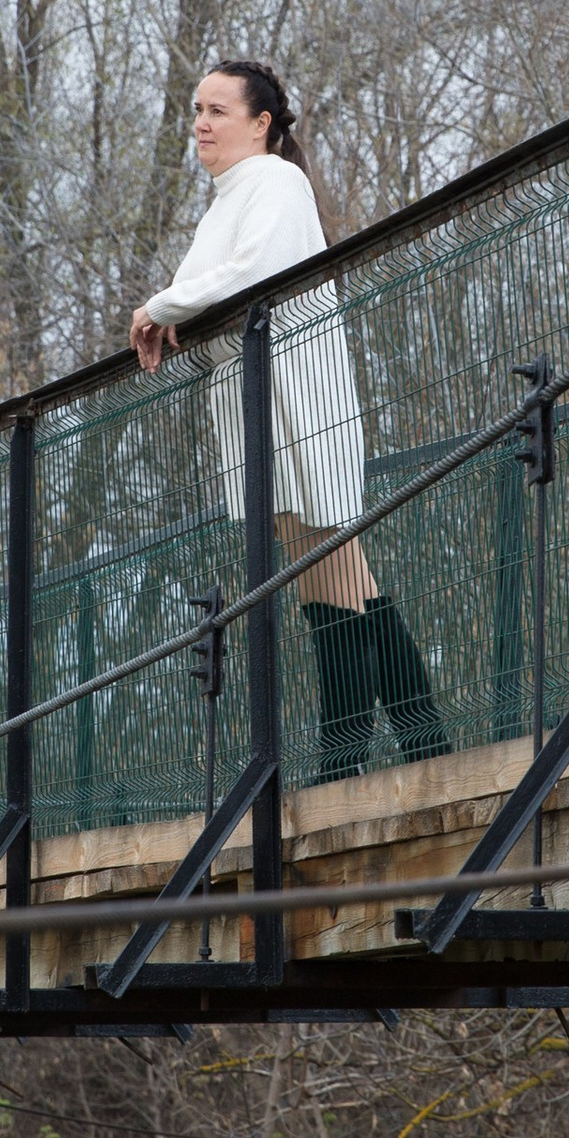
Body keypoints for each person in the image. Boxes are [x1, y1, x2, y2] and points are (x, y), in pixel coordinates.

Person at [132, 60, 447, 781]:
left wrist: (162, 307)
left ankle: (358, 751)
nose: (200, 124)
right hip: (262, 403)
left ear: (260, 123)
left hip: (296, 400)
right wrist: (181, 311)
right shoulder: (231, 196)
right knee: (338, 579)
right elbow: (213, 291)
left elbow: (254, 271)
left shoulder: (274, 180)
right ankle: (416, 743)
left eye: (217, 110)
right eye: (196, 110)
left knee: (329, 570)